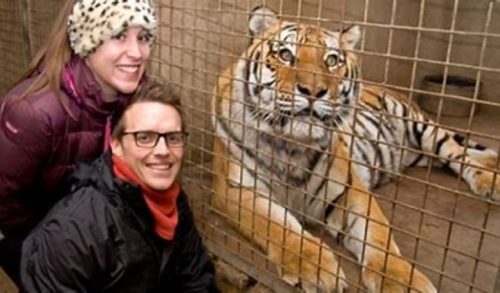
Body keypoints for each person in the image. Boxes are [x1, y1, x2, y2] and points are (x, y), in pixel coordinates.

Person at [0, 0, 157, 283]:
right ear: (86, 40)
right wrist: (52, 245)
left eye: (143, 37)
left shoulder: (138, 101)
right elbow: (4, 202)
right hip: (38, 241)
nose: (136, 53)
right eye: (118, 35)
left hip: (97, 233)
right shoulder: (34, 113)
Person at [20, 81, 218, 292]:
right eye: (144, 137)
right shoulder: (73, 230)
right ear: (116, 145)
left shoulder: (173, 201)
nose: (163, 150)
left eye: (173, 138)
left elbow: (198, 281)